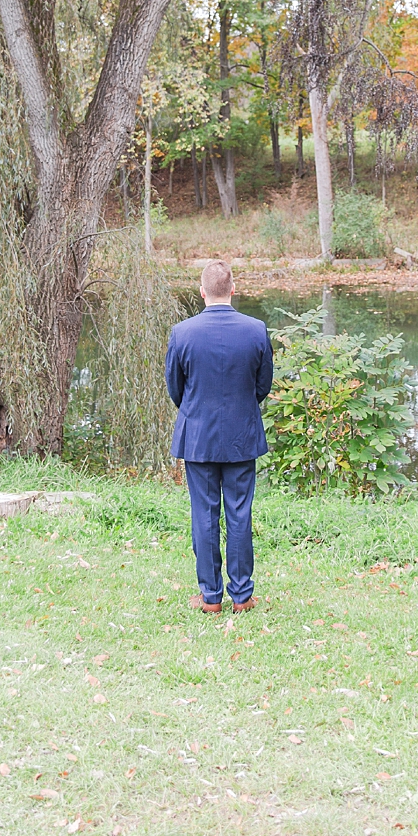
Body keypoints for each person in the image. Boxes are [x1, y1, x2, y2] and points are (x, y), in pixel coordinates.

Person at [165, 261, 274, 614]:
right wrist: (240, 407)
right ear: (232, 289)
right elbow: (263, 385)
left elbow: (175, 389)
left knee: (204, 514)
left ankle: (210, 597)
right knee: (240, 514)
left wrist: (197, 411)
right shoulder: (256, 330)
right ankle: (242, 596)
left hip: (198, 437)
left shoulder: (182, 333)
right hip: (241, 436)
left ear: (202, 291)